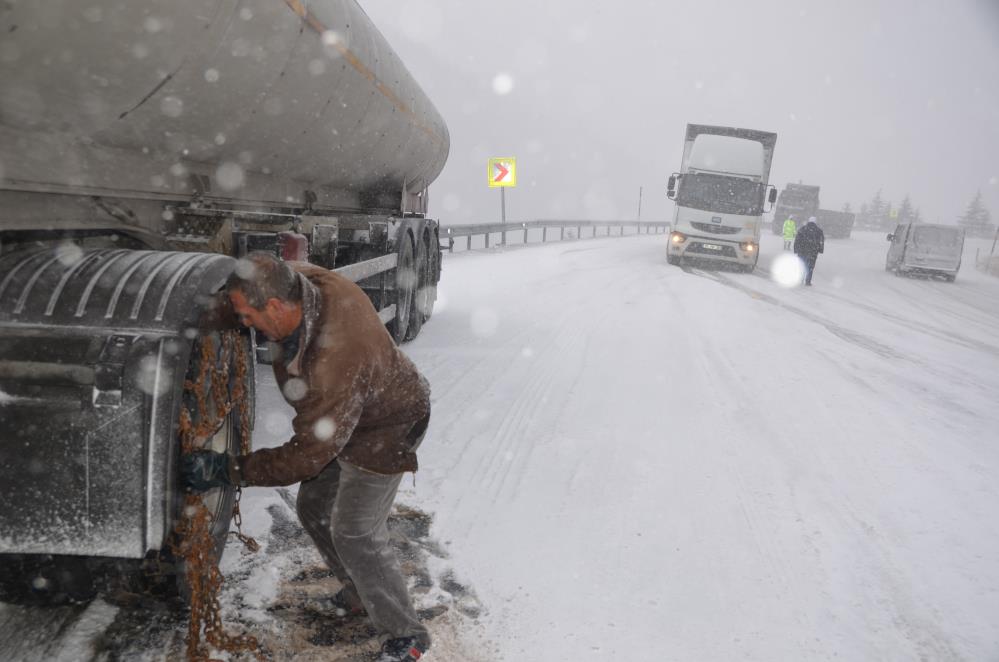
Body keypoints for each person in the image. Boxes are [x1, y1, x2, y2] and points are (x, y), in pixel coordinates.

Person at [182, 252, 432, 662]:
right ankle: (357, 594)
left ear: (277, 307)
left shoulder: (335, 360)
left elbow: (304, 459)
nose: (244, 324)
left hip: (388, 425)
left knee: (355, 531)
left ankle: (407, 635)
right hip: (352, 409)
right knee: (314, 507)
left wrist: (229, 470)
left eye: (247, 317)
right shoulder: (298, 283)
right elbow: (280, 266)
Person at [794, 216, 825, 286]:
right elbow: (821, 241)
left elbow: (797, 240)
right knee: (810, 267)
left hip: (802, 251)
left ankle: (800, 279)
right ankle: (808, 281)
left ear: (809, 221)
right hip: (813, 253)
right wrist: (820, 250)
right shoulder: (819, 231)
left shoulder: (802, 229)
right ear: (815, 222)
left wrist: (796, 249)